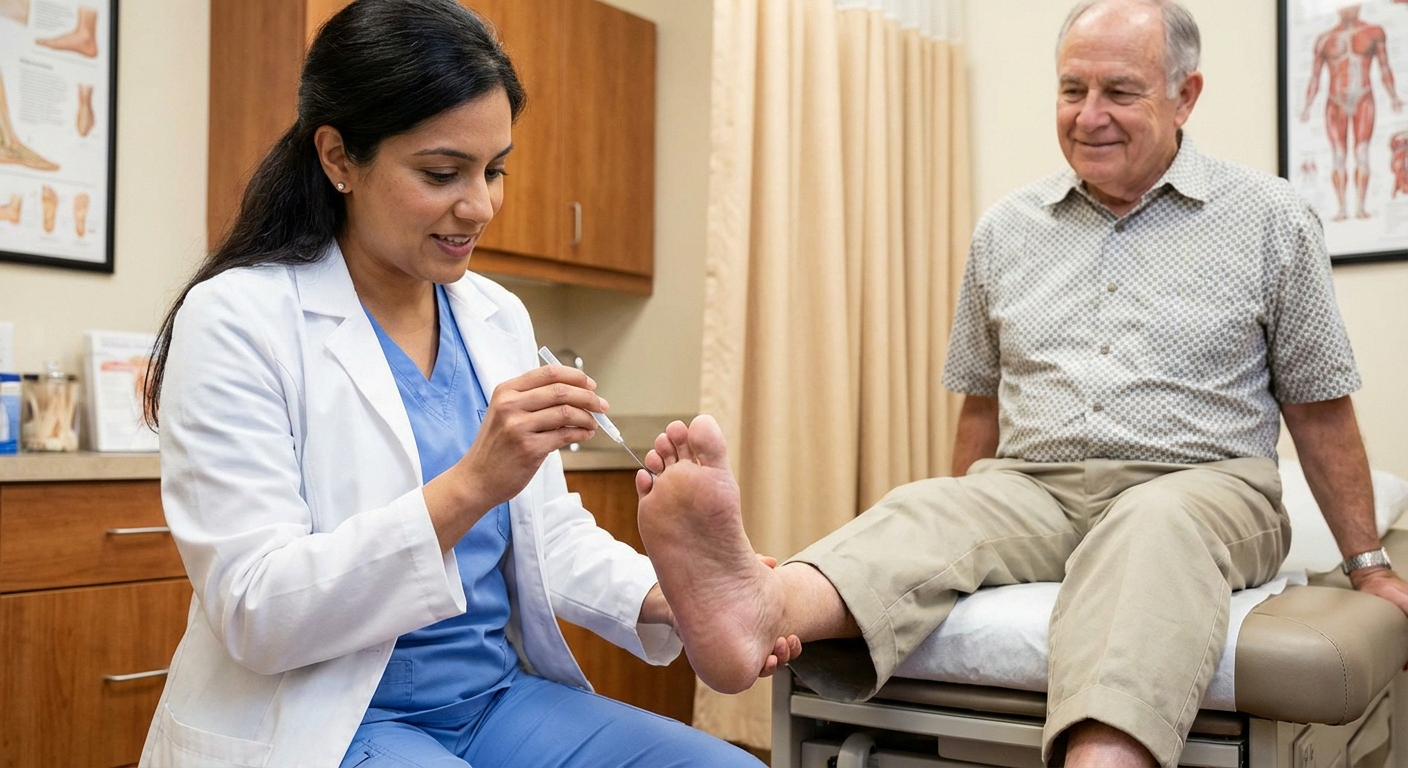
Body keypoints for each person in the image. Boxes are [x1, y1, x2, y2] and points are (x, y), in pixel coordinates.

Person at [635, 2, 1408, 767]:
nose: (1090, 115)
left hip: (1202, 485)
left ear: (1186, 95)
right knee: (927, 506)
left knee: (1152, 528)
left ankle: (1104, 758)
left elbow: (1320, 411)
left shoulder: (1270, 218)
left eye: (1120, 92)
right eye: (1073, 91)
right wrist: (963, 514)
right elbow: (981, 404)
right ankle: (758, 607)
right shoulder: (1007, 229)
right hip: (1034, 486)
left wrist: (1368, 567)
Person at [136, 1, 773, 766]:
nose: (480, 205)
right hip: (324, 713)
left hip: (494, 699)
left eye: (494, 169)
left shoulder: (493, 315)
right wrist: (472, 482)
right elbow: (257, 608)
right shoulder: (238, 318)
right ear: (338, 157)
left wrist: (680, 596)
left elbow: (549, 538)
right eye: (443, 173)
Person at [1300, 3, 1402, 220]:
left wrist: (1393, 97)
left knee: (1362, 154)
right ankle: (1342, 208)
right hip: (1334, 102)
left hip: (1364, 98)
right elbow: (1315, 77)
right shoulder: (1325, 39)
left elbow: (1385, 67)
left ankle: (1360, 207)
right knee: (1338, 156)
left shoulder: (1373, 32)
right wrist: (1307, 106)